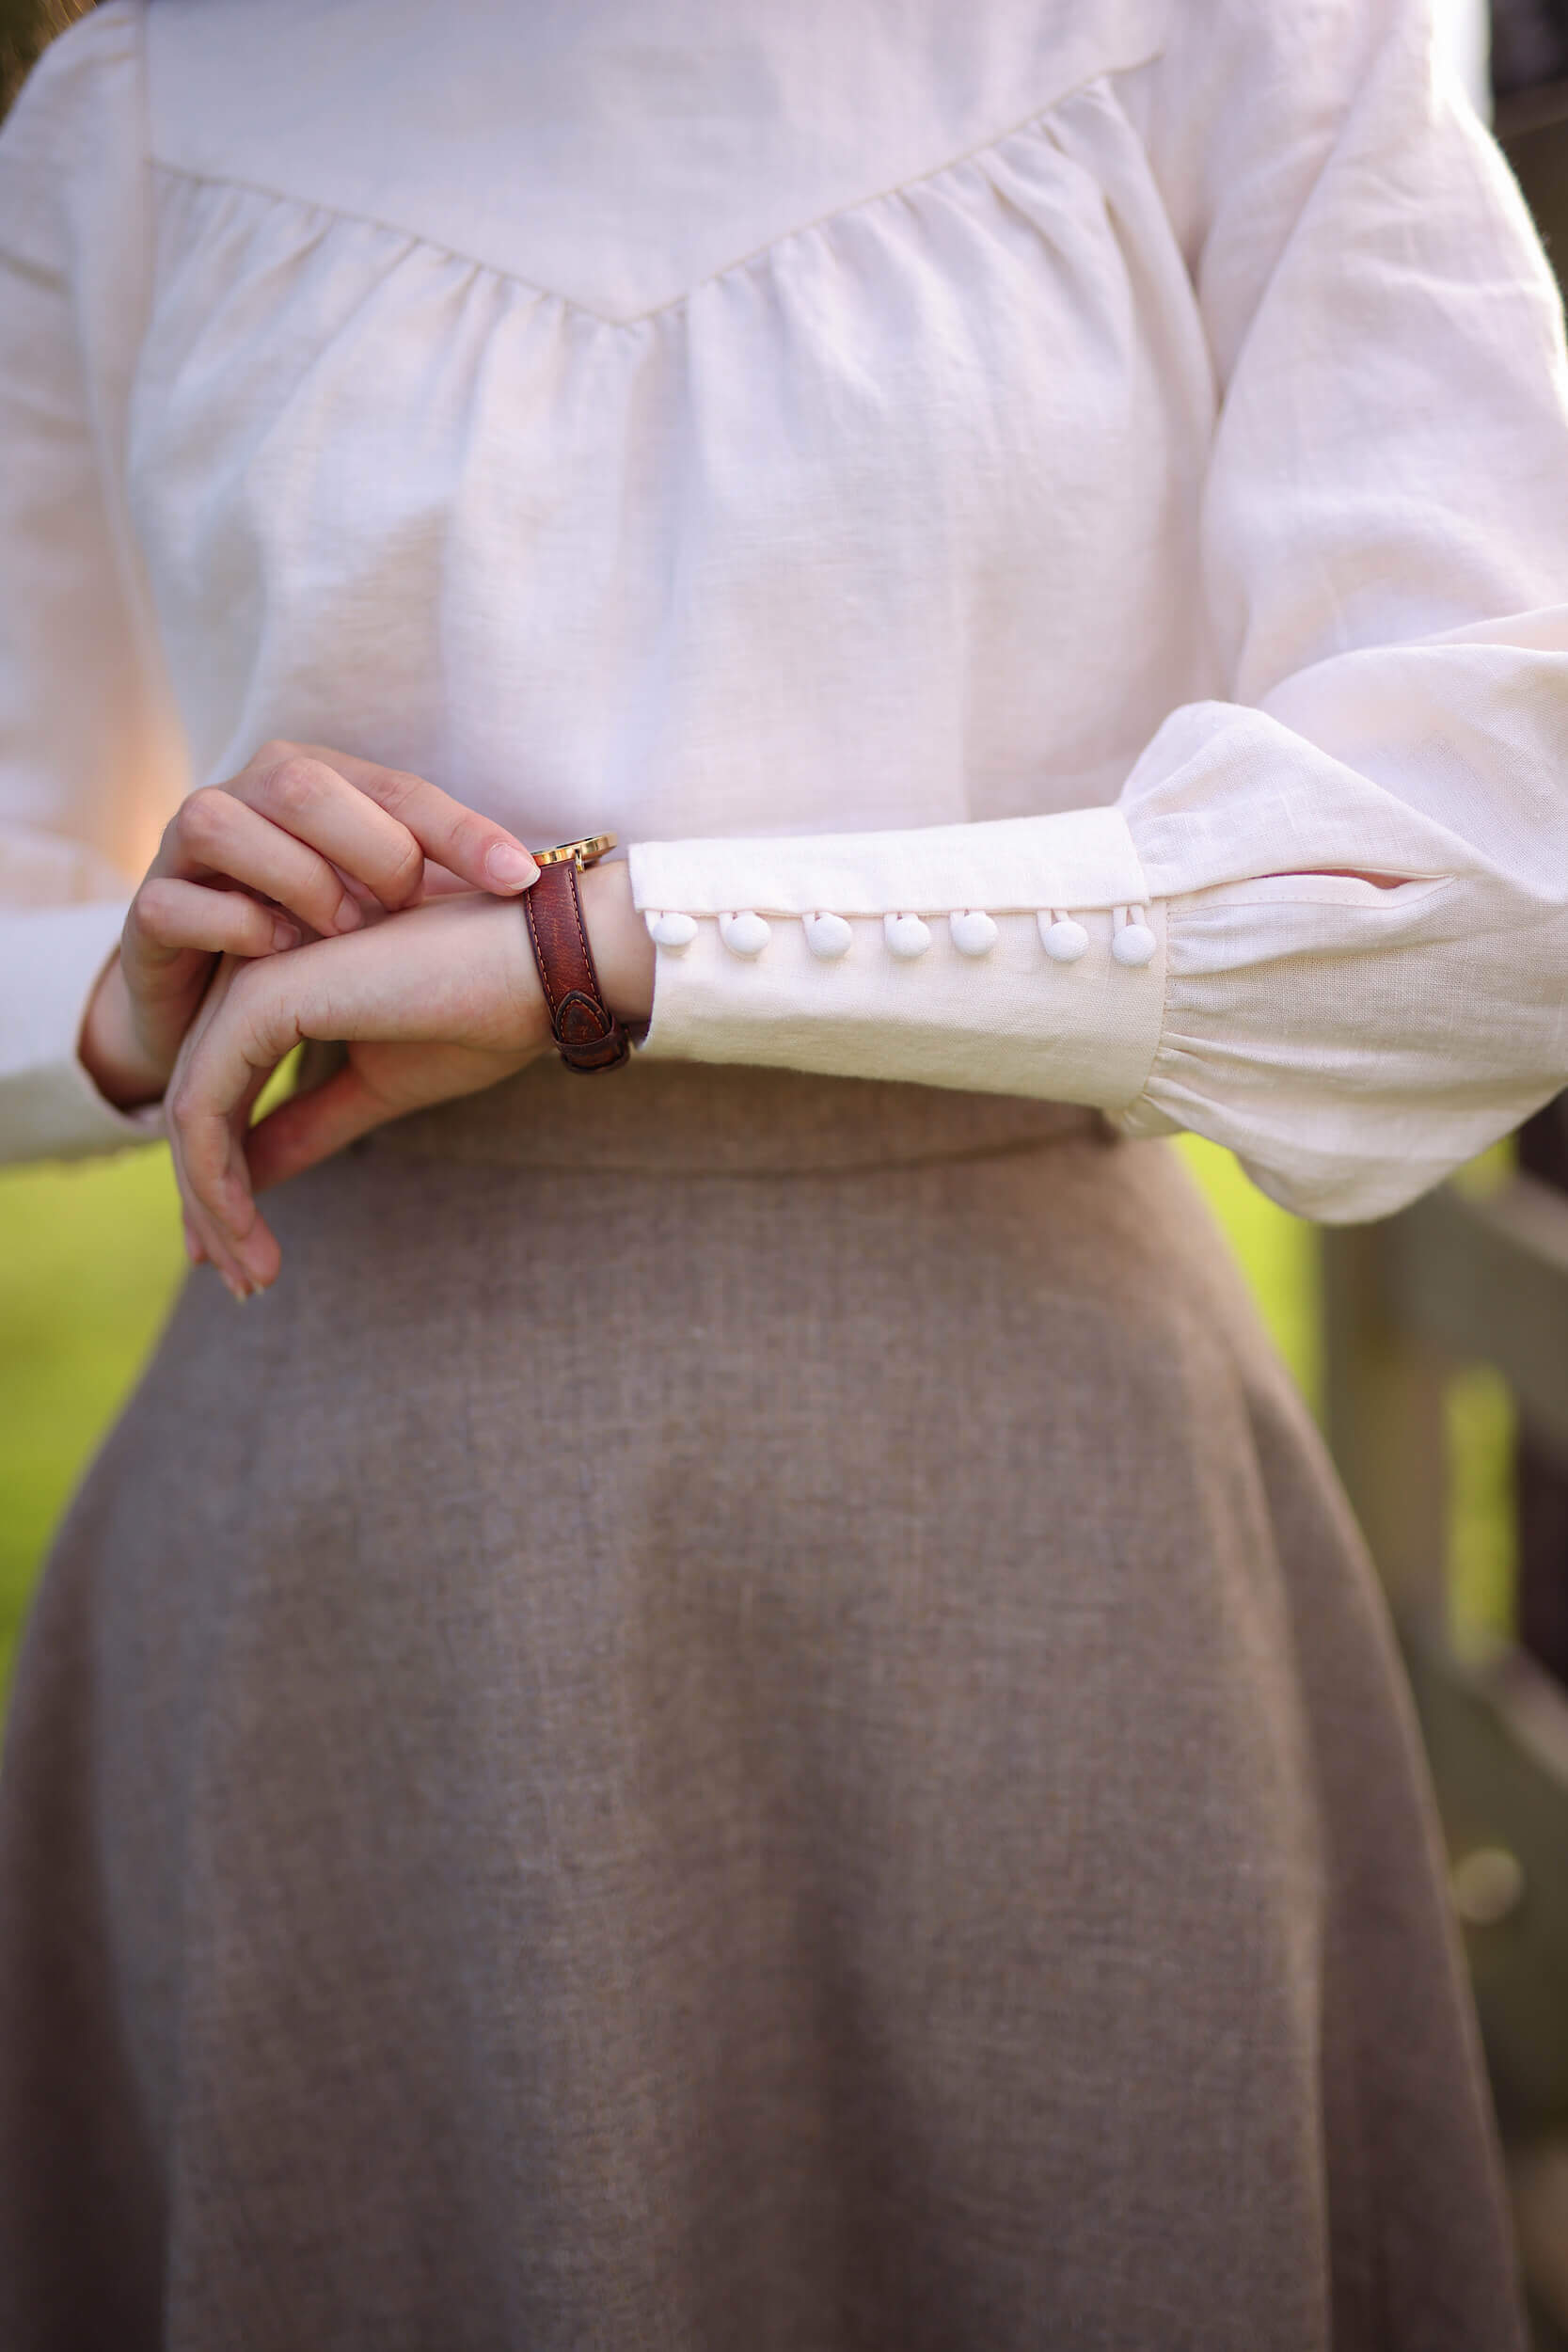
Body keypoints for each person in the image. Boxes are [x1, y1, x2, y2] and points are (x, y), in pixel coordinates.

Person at [0, 0, 1562, 2342]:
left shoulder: (1248, 35)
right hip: (342, 1581)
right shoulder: (136, 111)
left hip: (1048, 1536)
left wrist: (614, 942)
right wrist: (118, 995)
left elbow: (1494, 859)